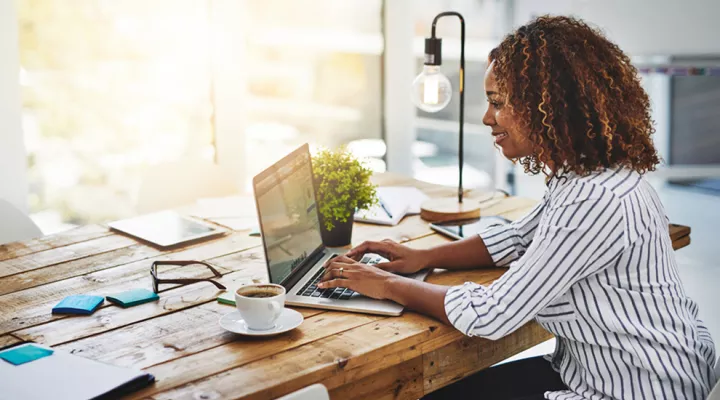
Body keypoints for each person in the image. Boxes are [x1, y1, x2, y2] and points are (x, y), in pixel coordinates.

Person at [319, 15, 717, 400]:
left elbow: (494, 314)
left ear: (548, 106)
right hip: (601, 369)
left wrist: (385, 285)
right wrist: (422, 256)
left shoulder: (595, 198)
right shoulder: (587, 175)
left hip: (635, 390)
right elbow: (516, 238)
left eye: (498, 102)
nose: (486, 117)